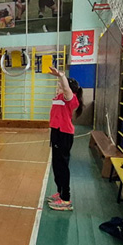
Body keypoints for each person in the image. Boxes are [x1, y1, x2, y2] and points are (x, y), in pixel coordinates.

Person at [47, 66, 83, 211]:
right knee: (56, 165)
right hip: (56, 132)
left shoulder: (71, 99)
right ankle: (60, 192)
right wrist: (59, 79)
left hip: (64, 134)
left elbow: (67, 91)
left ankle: (66, 199)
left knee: (62, 166)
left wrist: (62, 76)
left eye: (60, 87)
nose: (58, 88)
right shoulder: (58, 98)